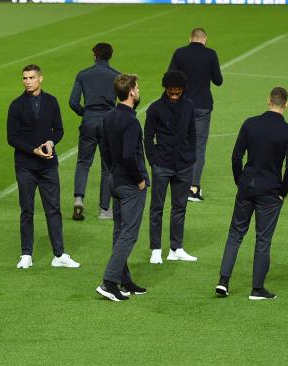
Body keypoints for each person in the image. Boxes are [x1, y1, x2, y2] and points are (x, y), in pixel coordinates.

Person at [215, 87, 288, 300]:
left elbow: (235, 157)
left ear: (269, 100)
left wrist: (240, 181)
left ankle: (223, 282)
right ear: (286, 104)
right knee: (263, 239)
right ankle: (257, 289)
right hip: (271, 191)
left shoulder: (250, 123)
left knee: (235, 234)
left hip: (247, 187)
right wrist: (283, 192)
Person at [7, 65, 81, 270]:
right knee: (27, 210)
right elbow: (11, 138)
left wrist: (51, 142)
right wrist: (33, 150)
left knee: (53, 209)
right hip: (26, 167)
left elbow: (59, 130)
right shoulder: (16, 105)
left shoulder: (51, 102)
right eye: (24, 78)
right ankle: (26, 254)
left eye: (31, 77)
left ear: (40, 78)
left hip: (48, 165)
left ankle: (59, 254)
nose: (27, 81)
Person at [95, 74, 149, 302]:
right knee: (128, 234)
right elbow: (129, 155)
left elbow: (104, 148)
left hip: (114, 180)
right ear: (132, 92)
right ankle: (109, 282)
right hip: (129, 184)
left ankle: (124, 280)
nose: (138, 90)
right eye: (136, 87)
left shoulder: (108, 117)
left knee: (119, 232)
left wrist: (113, 170)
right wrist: (139, 179)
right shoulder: (131, 122)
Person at [144, 71, 198, 264]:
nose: (174, 96)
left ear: (183, 90)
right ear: (166, 89)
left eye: (177, 93)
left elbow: (192, 133)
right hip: (162, 164)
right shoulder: (155, 108)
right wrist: (153, 160)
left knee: (180, 207)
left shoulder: (189, 106)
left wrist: (191, 156)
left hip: (183, 165)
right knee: (156, 208)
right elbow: (148, 136)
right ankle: (156, 249)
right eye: (171, 93)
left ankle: (176, 248)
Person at [168, 28, 223, 202]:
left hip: (182, 106)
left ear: (190, 38)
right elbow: (218, 80)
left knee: (180, 144)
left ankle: (178, 184)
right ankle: (193, 188)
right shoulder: (211, 54)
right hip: (202, 107)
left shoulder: (179, 53)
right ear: (205, 39)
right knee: (198, 147)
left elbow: (169, 77)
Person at [68, 42, 119, 221]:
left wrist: (87, 114)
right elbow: (127, 100)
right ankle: (104, 210)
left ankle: (78, 198)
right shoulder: (116, 76)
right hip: (108, 122)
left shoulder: (83, 75)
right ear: (110, 56)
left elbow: (73, 102)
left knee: (83, 162)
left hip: (89, 121)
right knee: (108, 167)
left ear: (94, 55)